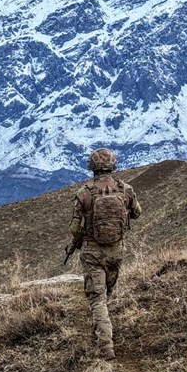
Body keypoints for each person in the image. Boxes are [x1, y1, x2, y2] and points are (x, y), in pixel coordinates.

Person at [68, 148, 141, 359]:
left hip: (93, 252)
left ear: (92, 167)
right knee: (106, 294)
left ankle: (105, 345)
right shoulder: (125, 190)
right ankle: (102, 329)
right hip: (117, 251)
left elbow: (73, 228)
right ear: (113, 165)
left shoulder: (85, 193)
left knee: (97, 298)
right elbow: (137, 213)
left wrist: (82, 236)